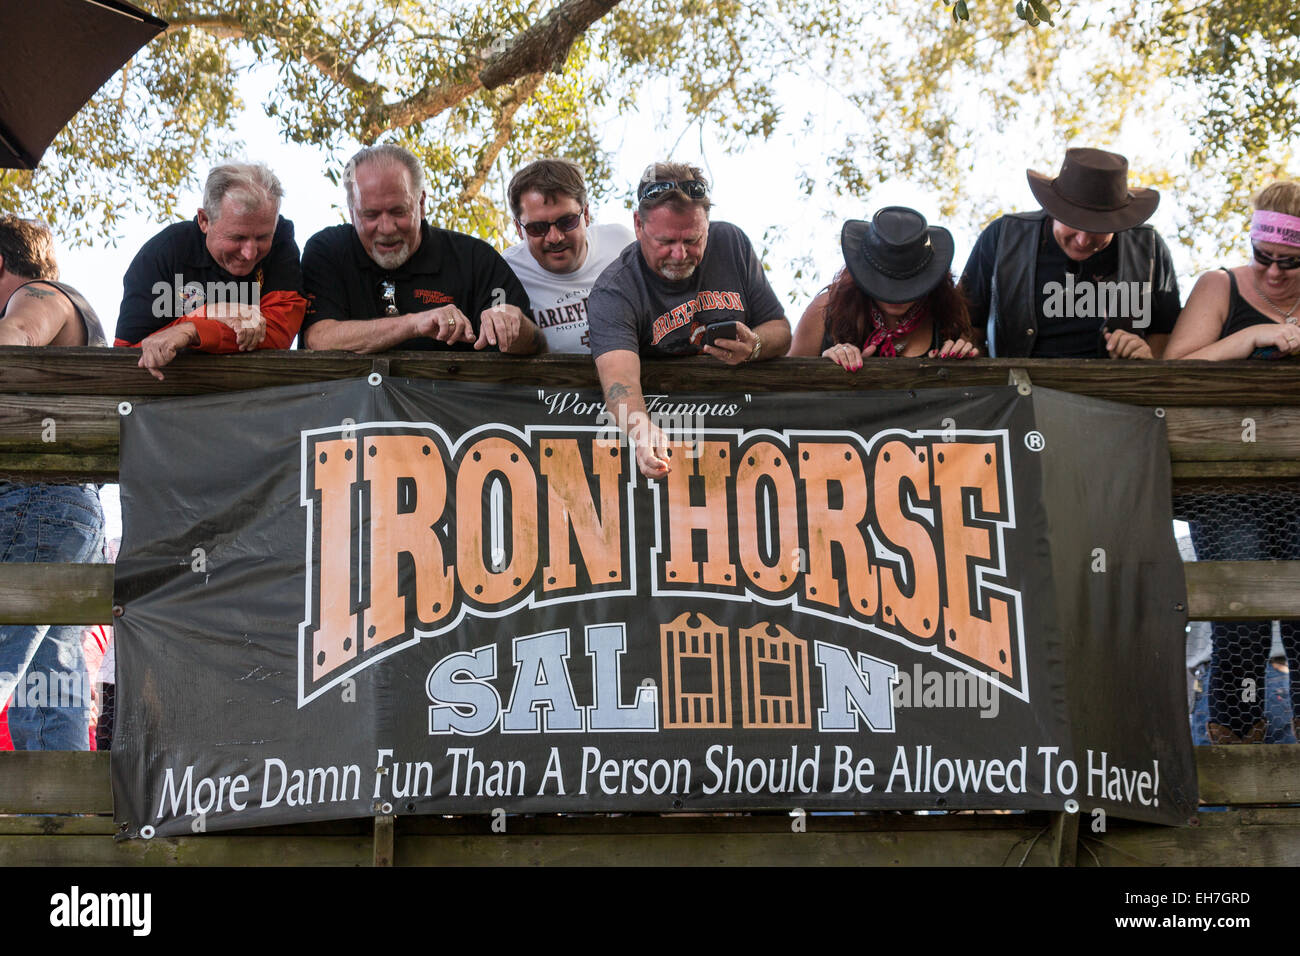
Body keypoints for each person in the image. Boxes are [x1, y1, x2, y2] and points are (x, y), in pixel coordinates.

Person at [1165, 181, 1300, 744]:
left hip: (1296, 480)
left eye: (1290, 264)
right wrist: (1249, 338)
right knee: (1238, 614)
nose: (1272, 274)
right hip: (1226, 482)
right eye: (1263, 258)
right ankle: (1236, 755)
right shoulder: (1219, 285)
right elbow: (1174, 367)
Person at [587, 161, 791, 479]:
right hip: (667, 440)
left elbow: (780, 328)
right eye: (665, 242)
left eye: (693, 240)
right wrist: (640, 428)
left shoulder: (732, 244)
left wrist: (756, 345)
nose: (680, 255)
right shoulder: (615, 289)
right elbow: (619, 380)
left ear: (707, 223)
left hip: (747, 440)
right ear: (638, 225)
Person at [0, 216, 106, 750]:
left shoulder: (40, 294)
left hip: (34, 497)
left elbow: (13, 337)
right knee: (49, 686)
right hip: (65, 504)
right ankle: (59, 823)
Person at [301, 144, 539, 354]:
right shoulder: (327, 250)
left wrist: (514, 324)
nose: (386, 228)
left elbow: (534, 343)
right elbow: (319, 338)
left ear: (422, 203)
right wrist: (415, 324)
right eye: (370, 215)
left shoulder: (474, 258)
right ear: (352, 213)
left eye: (398, 212)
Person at [959, 147, 1181, 359]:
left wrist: (1145, 357)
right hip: (1019, 389)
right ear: (1054, 209)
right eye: (1073, 222)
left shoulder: (1149, 247)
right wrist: (971, 353)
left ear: (1120, 221)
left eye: (1098, 229)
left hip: (1114, 391)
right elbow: (966, 325)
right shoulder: (1003, 237)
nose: (1083, 239)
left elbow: (1165, 332)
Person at [115, 162, 307, 379]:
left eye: (263, 237)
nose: (250, 253)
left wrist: (193, 331)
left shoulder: (282, 240)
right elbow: (129, 352)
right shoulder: (162, 254)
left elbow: (279, 330)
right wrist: (211, 313)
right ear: (204, 220)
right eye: (238, 237)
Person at [791, 206, 979, 368]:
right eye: (885, 282)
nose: (895, 296)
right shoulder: (826, 309)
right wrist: (825, 370)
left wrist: (962, 363)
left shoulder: (949, 316)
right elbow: (787, 386)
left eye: (908, 284)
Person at [502, 158, 635, 352]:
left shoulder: (621, 244)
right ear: (519, 228)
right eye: (537, 228)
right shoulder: (508, 271)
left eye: (567, 221)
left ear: (586, 214)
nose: (554, 238)